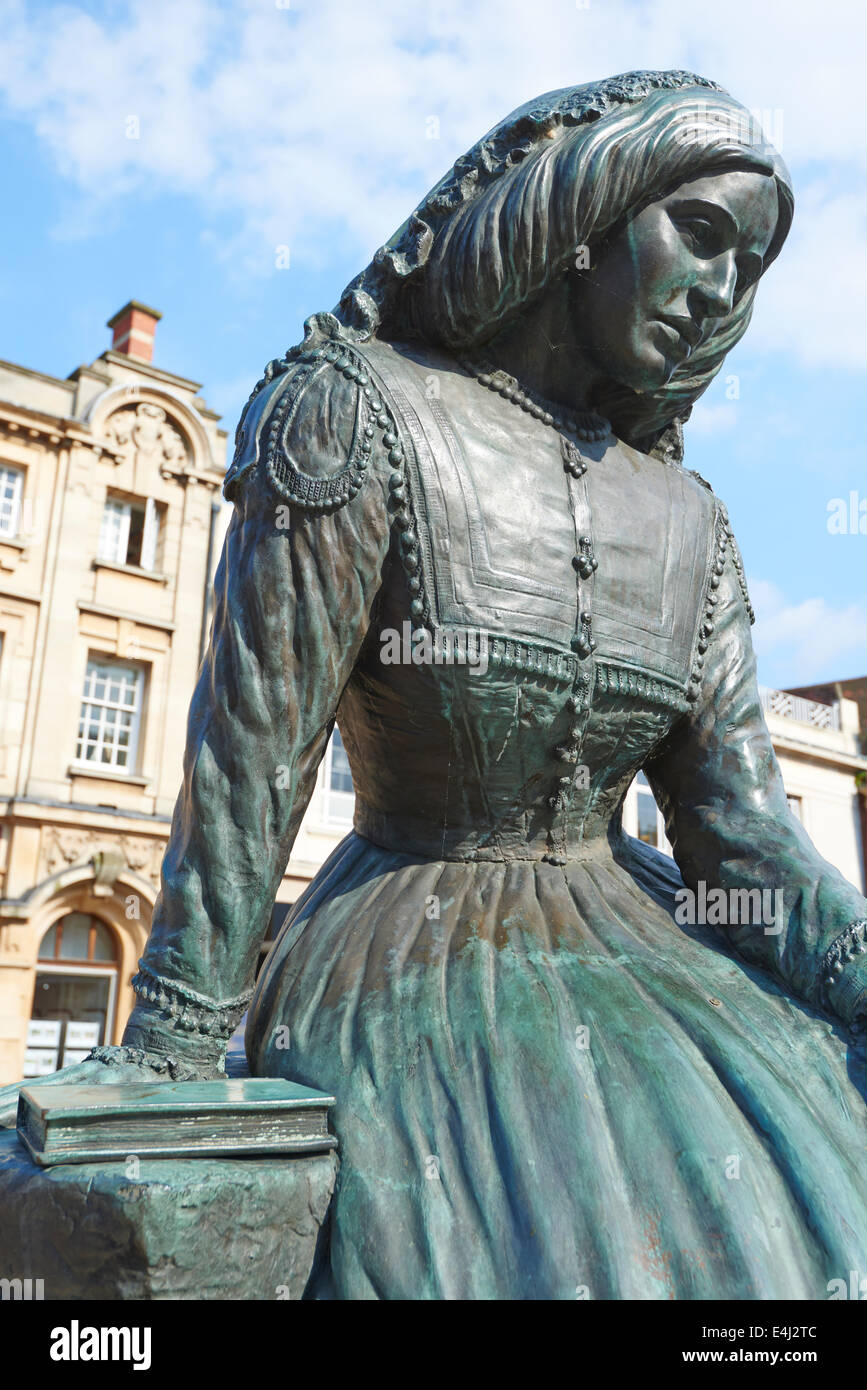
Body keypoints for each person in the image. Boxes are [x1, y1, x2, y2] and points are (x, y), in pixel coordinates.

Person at [4, 70, 867, 1299]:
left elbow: (745, 839)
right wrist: (171, 1041)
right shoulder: (352, 414)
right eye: (702, 232)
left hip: (653, 944)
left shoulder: (694, 523)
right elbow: (255, 757)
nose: (721, 292)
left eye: (752, 268)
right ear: (590, 210)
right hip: (414, 945)